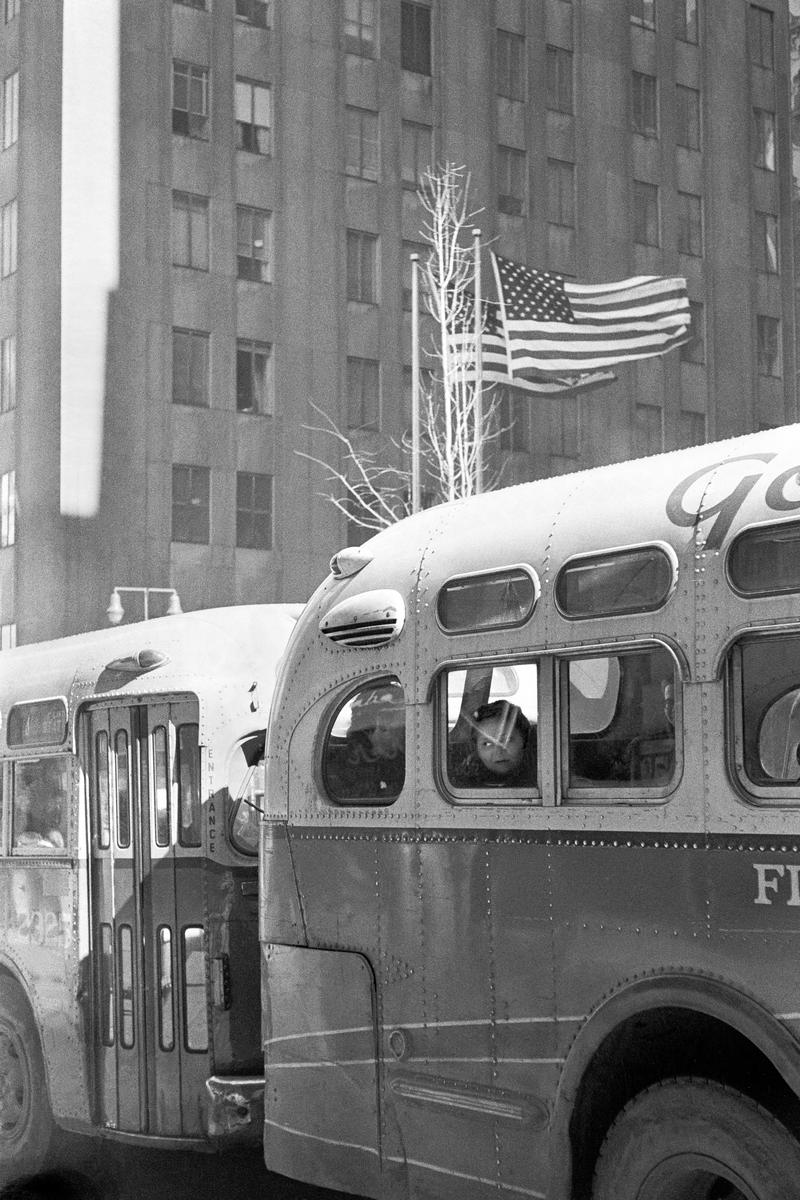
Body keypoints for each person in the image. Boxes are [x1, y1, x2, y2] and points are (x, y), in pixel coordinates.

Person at [329, 682, 406, 800]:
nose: (406, 728)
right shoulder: (342, 778)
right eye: (403, 720)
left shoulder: (397, 763)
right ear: (382, 723)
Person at [456, 700, 537, 788]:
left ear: (524, 740)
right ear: (476, 749)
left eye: (507, 740)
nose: (498, 751)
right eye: (487, 744)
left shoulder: (543, 778)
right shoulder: (461, 787)